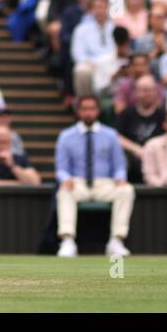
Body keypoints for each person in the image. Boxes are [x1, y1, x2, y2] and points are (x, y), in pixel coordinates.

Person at [54, 95, 135, 258]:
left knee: (127, 190)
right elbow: (61, 168)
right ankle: (68, 240)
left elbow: (119, 165)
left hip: (104, 183)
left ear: (98, 111)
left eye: (91, 109)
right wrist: (65, 179)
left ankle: (116, 241)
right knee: (64, 191)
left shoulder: (111, 135)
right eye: (84, 109)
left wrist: (120, 177)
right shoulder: (66, 136)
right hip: (78, 183)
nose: (88, 113)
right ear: (78, 112)